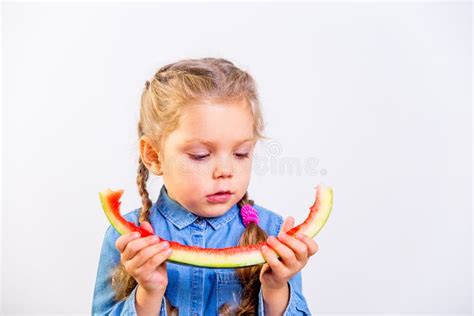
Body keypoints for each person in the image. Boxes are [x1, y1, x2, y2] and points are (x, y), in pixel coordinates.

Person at [92, 57, 318, 315]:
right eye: (200, 155)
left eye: (241, 153)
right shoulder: (126, 238)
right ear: (154, 155)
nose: (226, 171)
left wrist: (277, 288)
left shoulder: (274, 235)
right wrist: (148, 292)